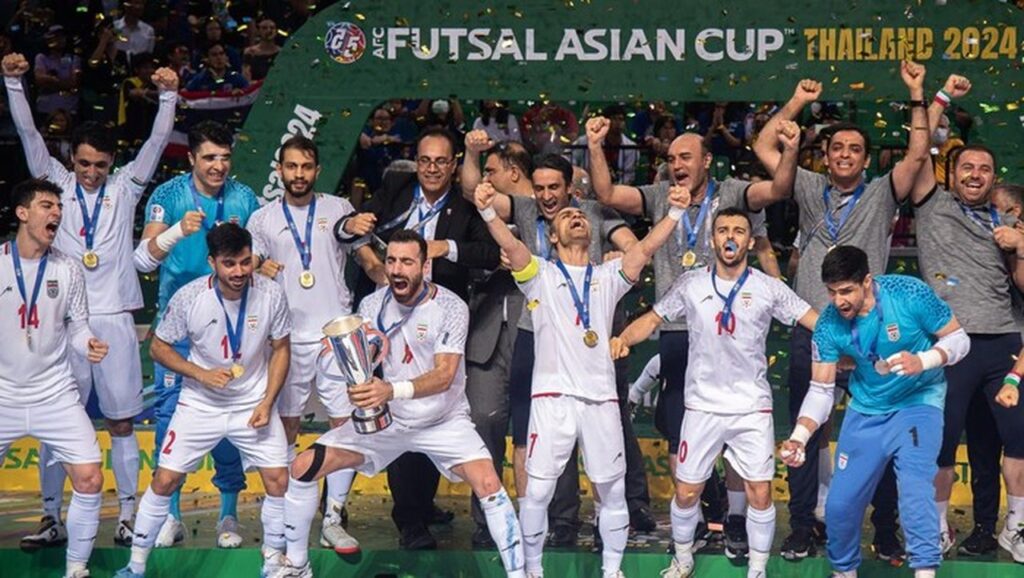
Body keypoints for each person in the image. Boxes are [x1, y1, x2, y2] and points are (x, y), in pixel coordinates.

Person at [750, 61, 932, 559]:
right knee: (806, 430)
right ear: (826, 156)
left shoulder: (882, 192)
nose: (845, 154)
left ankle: (886, 528)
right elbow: (764, 145)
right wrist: (796, 102)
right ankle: (803, 525)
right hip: (817, 329)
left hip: (874, 333)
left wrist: (917, 92)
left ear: (866, 159)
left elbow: (918, 153)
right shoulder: (808, 187)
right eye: (836, 148)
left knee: (886, 432)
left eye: (854, 148)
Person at [272, 230, 525, 578]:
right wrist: (344, 367)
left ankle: (520, 574)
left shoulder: (450, 307)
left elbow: (444, 376)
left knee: (488, 484)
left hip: (443, 420)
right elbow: (363, 362)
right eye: (391, 260)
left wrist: (390, 390)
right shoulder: (371, 305)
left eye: (406, 262)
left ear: (424, 266)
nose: (396, 269)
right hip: (389, 421)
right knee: (303, 467)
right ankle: (298, 566)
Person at [4, 51, 179, 548]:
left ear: (111, 164)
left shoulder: (125, 189)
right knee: (58, 424)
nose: (91, 173)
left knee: (122, 422)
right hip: (65, 322)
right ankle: (50, 517)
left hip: (116, 319)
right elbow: (29, 136)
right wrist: (14, 84)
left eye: (100, 165)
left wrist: (168, 96)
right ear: (72, 160)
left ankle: (127, 515)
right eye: (83, 163)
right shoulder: (57, 185)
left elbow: (156, 142)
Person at [476, 179, 687, 578]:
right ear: (552, 237)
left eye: (580, 215)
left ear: (591, 234)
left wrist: (675, 212)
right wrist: (488, 211)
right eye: (566, 216)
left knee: (612, 490)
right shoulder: (539, 274)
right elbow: (513, 246)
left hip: (601, 400)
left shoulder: (609, 275)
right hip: (552, 399)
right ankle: (532, 571)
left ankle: (612, 571)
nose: (576, 216)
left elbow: (644, 249)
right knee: (538, 491)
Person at [588, 115, 781, 552]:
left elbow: (776, 191)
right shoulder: (660, 196)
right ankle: (696, 521)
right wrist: (596, 146)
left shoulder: (732, 193)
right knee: (680, 431)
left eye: (686, 157)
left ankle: (734, 518)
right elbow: (607, 194)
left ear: (706, 161)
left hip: (727, 327)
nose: (677, 165)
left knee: (737, 430)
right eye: (672, 158)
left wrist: (787, 148)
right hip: (677, 327)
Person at [612, 207, 818, 578]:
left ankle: (757, 570)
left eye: (739, 230)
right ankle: (683, 559)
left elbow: (812, 319)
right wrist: (623, 338)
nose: (730, 237)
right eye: (723, 230)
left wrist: (854, 337)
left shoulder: (768, 287)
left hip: (751, 408)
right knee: (687, 492)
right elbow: (654, 318)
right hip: (702, 407)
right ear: (712, 239)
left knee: (760, 493)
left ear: (750, 241)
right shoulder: (691, 283)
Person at [340, 126, 501, 549]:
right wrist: (368, 254)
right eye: (425, 160)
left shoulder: (465, 205)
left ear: (453, 165)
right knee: (399, 411)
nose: (431, 169)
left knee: (432, 409)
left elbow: (490, 255)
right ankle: (408, 519)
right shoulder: (397, 187)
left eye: (440, 162)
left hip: (438, 317)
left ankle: (422, 503)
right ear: (416, 161)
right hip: (389, 316)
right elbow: (351, 230)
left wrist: (445, 247)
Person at [781, 245, 970, 578]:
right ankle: (844, 572)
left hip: (918, 402)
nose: (838, 301)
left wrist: (923, 360)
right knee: (839, 505)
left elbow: (959, 340)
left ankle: (925, 572)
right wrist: (799, 436)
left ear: (867, 281)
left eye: (846, 291)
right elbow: (821, 391)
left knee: (914, 490)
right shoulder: (827, 325)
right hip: (867, 408)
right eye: (832, 292)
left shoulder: (908, 293)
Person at [115, 223, 292, 578]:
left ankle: (273, 562)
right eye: (229, 264)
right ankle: (135, 566)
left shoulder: (271, 293)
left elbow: (281, 348)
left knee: (278, 479)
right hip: (200, 403)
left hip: (251, 403)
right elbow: (159, 348)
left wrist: (267, 402)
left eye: (245, 262)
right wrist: (200, 374)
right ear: (212, 262)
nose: (239, 272)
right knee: (164, 480)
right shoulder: (190, 297)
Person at [248, 135, 385, 554]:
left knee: (344, 425)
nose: (299, 174)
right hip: (287, 337)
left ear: (318, 170)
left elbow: (363, 254)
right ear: (280, 170)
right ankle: (290, 514)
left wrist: (389, 280)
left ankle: (334, 517)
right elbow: (248, 263)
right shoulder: (262, 218)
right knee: (287, 426)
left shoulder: (339, 209)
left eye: (306, 167)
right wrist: (257, 267)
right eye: (291, 166)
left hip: (335, 336)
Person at [134, 120, 262, 548]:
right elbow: (142, 260)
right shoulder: (168, 196)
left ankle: (228, 516)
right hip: (179, 330)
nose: (218, 166)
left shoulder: (244, 198)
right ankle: (169, 517)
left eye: (225, 157)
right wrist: (176, 232)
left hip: (230, 330)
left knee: (229, 423)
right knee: (169, 421)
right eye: (209, 157)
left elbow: (256, 256)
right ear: (191, 158)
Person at [915, 75, 1024, 560]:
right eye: (967, 167)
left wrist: (1020, 245)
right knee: (941, 444)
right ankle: (938, 528)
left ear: (993, 178)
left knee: (1013, 439)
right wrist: (938, 98)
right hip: (950, 343)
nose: (976, 174)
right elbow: (918, 150)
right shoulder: (932, 205)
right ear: (951, 173)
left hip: (1003, 344)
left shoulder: (1008, 223)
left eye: (984, 169)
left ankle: (1011, 528)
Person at [0, 178, 109, 578]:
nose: (57, 213)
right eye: (47, 206)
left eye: (59, 207)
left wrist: (88, 343)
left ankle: (76, 568)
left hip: (54, 393)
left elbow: (77, 325)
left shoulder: (68, 268)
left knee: (90, 477)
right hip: (2, 395)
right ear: (22, 212)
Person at [458, 131, 534, 546]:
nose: (484, 179)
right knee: (484, 423)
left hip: (534, 330)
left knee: (537, 432)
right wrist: (471, 153)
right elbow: (471, 190)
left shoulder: (544, 207)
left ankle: (543, 520)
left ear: (514, 173)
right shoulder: (483, 210)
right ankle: (487, 519)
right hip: (486, 328)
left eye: (492, 171)